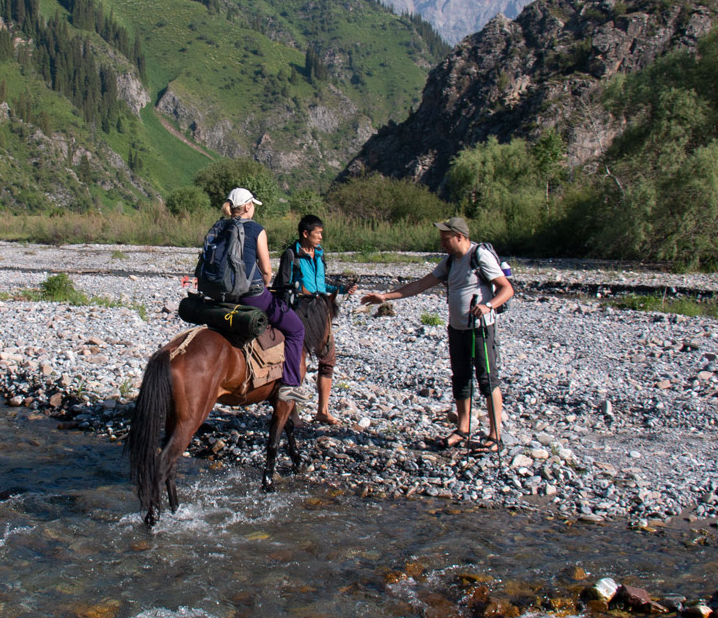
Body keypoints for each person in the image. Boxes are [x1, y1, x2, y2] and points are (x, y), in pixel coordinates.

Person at [360, 216, 514, 453]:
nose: (442, 243)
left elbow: (507, 288)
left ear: (459, 237)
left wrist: (488, 306)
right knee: (461, 378)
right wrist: (386, 297)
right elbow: (421, 284)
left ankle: (495, 436)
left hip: (481, 328)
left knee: (487, 380)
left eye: (445, 238)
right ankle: (463, 429)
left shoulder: (479, 256)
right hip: (457, 328)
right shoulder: (450, 262)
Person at [213, 187, 310, 404]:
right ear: (247, 206)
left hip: (221, 295)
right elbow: (266, 270)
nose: (253, 209)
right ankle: (290, 385)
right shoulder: (256, 229)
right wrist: (263, 289)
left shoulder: (218, 226)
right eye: (253, 205)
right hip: (250, 295)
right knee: (296, 330)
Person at [273, 214, 357, 424]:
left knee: (327, 359)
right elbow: (282, 286)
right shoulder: (291, 255)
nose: (321, 236)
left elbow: (322, 284)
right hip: (302, 313)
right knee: (297, 361)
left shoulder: (319, 254)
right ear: (305, 233)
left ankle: (323, 410)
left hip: (322, 313)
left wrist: (342, 289)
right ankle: (291, 411)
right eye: (317, 233)